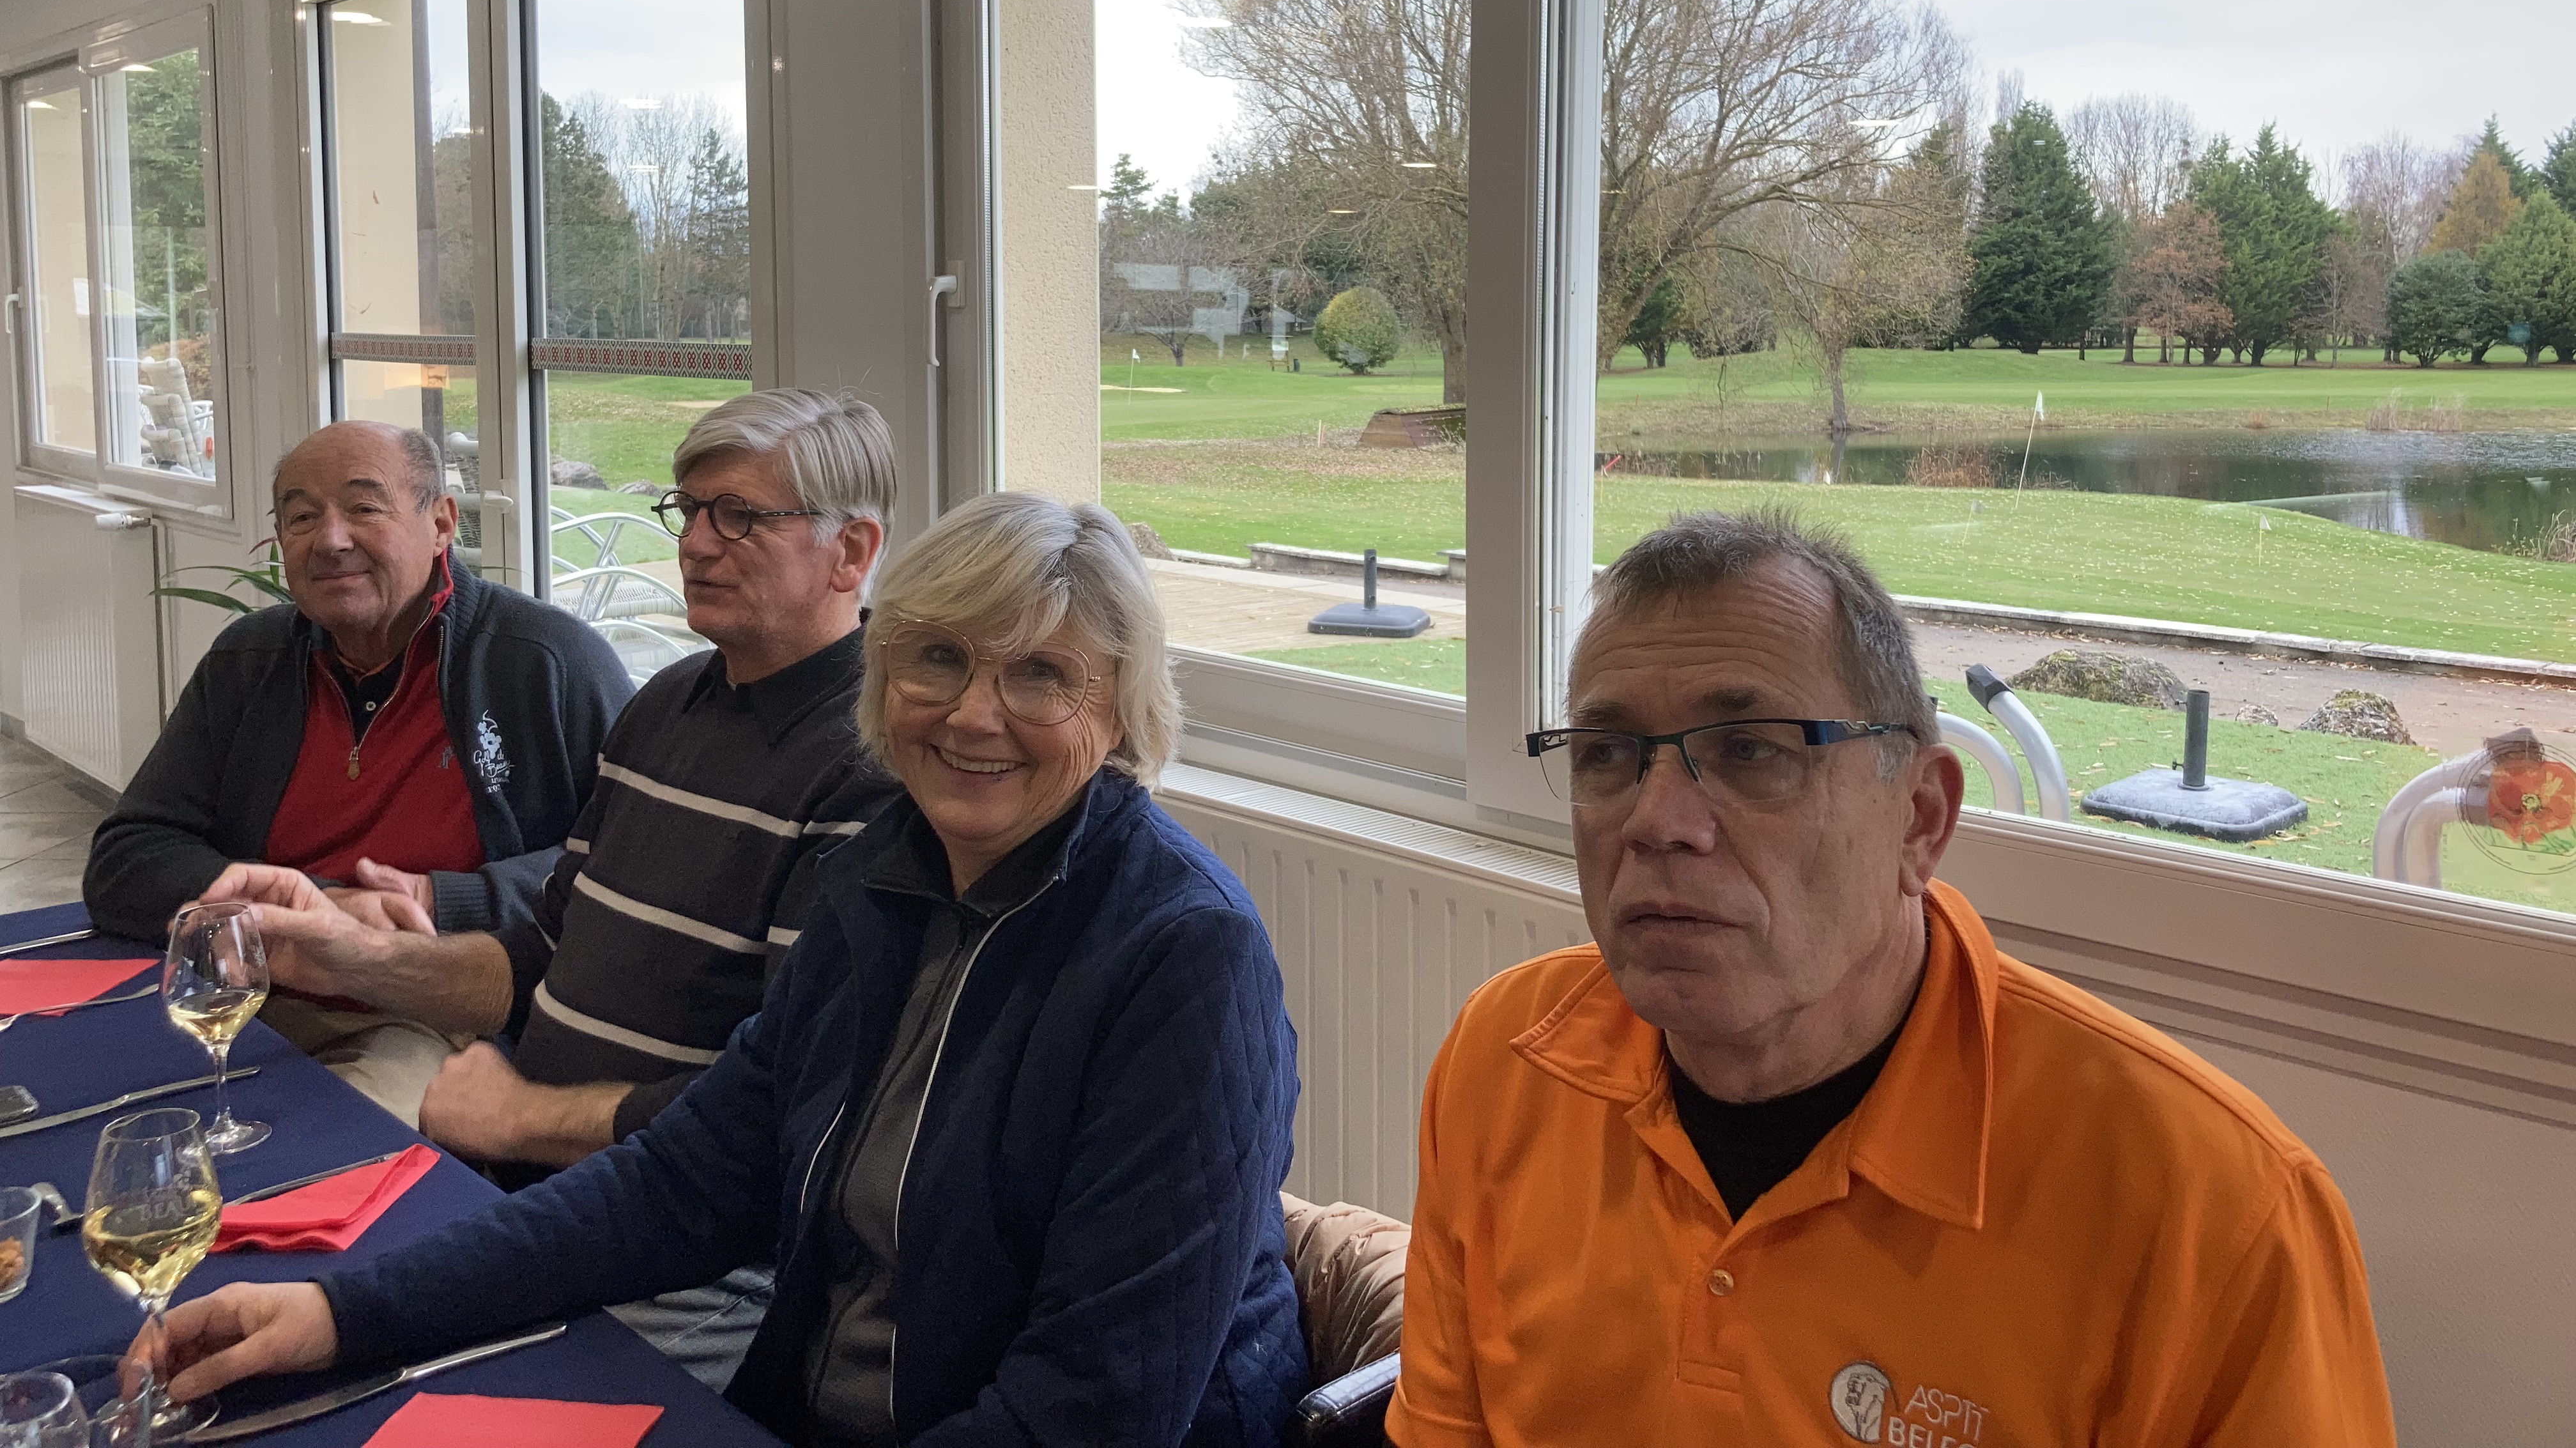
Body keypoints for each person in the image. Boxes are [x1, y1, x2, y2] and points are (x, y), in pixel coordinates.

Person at [144, 493, 1310, 1447]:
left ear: (1124, 709)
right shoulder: (878, 881)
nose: (973, 714)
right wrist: (342, 1311)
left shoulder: (1181, 953)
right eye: (939, 658)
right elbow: (682, 1183)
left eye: (1041, 675)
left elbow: (1097, 1404)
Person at [1390, 508, 2396, 1448]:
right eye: (1607, 753)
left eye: (1750, 751)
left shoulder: (2213, 1208)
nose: (1657, 821)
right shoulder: (1505, 1063)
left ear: (1920, 820)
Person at [194, 389, 905, 1387]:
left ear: (850, 551)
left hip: (682, 1258)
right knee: (227, 1292)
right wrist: (359, 958)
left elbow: (788, 1108)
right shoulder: (668, 704)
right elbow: (539, 956)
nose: (696, 543)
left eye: (740, 516)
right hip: (524, 1195)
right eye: (688, 509)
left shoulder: (871, 766)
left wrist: (524, 1115)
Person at [82, 419, 629, 1123]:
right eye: (302, 517)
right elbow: (127, 860)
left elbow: (630, 871)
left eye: (365, 507)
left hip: (425, 1009)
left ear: (441, 523)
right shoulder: (249, 662)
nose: (331, 539)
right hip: (243, 991)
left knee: (310, 1161)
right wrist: (318, 912)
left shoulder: (546, 663)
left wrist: (440, 901)